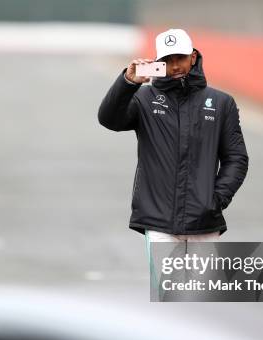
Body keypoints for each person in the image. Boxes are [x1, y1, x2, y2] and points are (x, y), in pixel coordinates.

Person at [97, 28, 249, 297]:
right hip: (158, 221)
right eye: (167, 60)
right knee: (173, 298)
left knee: (203, 299)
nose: (174, 66)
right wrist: (128, 82)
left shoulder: (221, 102)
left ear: (193, 57)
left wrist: (215, 199)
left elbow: (236, 158)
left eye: (180, 58)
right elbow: (109, 119)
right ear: (158, 62)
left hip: (205, 221)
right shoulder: (144, 98)